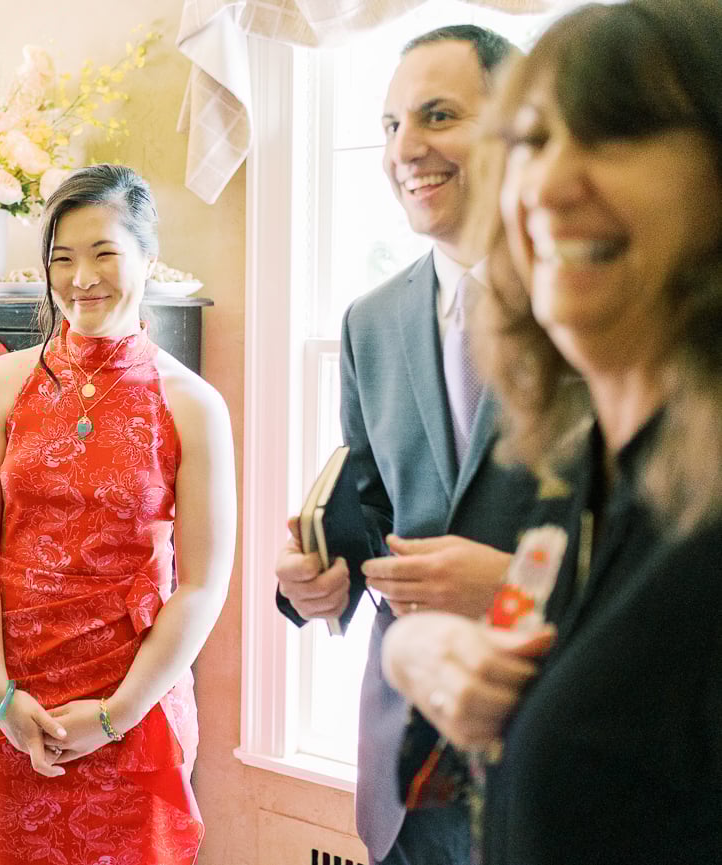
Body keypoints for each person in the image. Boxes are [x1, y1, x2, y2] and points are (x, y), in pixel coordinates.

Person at [382, 1, 722, 861]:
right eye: (531, 143)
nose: (550, 185)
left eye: (615, 132)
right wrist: (414, 646)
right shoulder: (596, 469)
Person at [272, 26, 531, 865]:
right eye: (388, 126)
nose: (405, 149)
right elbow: (371, 507)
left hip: (561, 748)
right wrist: (318, 580)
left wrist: (511, 587)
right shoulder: (370, 322)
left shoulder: (598, 306)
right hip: (410, 777)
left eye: (439, 115)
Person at [0, 164, 236, 865]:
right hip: (15, 706)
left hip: (134, 707)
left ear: (147, 255)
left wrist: (116, 715)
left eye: (104, 253)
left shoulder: (192, 404)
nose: (82, 278)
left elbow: (202, 584)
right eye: (62, 259)